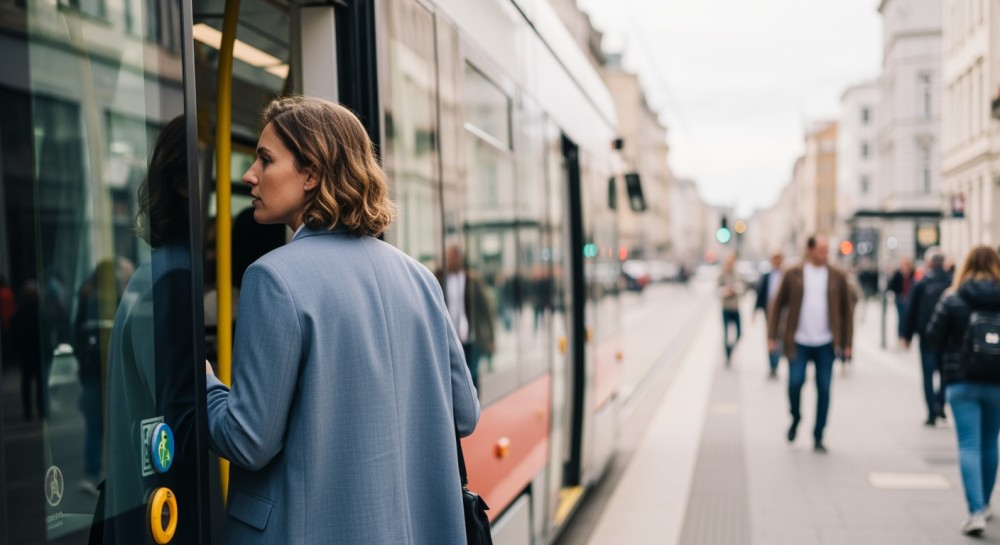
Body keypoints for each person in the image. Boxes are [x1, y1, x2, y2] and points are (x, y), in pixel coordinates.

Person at [204, 96, 480, 544]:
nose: (249, 175)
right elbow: (464, 415)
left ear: (311, 174)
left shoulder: (273, 278)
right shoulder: (420, 279)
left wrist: (205, 387)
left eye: (265, 160)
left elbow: (248, 440)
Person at [96, 115, 201, 544]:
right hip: (164, 520)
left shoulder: (155, 272)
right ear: (182, 183)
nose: (250, 179)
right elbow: (184, 429)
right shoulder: (176, 279)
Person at [924, 246, 1000, 536]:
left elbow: (932, 338)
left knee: (969, 444)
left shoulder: (953, 297)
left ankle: (975, 511)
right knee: (990, 442)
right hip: (997, 382)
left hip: (961, 380)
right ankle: (987, 503)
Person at [767, 235, 854, 453]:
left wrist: (847, 343)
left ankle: (818, 434)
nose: (826, 253)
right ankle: (796, 417)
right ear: (810, 250)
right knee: (795, 383)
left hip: (826, 342)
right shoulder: (793, 273)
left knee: (824, 389)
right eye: (821, 249)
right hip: (799, 341)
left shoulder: (837, 275)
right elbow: (777, 306)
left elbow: (847, 311)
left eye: (827, 249)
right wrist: (771, 337)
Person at [900, 247, 952, 426]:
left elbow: (911, 309)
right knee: (946, 373)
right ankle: (940, 403)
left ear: (929, 263)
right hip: (947, 337)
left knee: (928, 375)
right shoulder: (951, 282)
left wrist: (906, 335)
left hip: (927, 335)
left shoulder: (921, 283)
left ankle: (931, 412)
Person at [443, 244, 495, 389]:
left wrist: (490, 338)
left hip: (470, 336)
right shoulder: (441, 279)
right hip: (450, 336)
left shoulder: (472, 280)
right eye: (449, 257)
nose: (451, 261)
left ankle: (475, 399)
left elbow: (486, 310)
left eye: (454, 257)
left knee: (472, 374)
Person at [755, 252, 784, 379]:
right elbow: (760, 293)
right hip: (769, 311)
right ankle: (772, 364)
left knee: (780, 338)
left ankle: (776, 362)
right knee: (770, 337)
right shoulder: (767, 276)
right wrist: (755, 310)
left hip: (782, 312)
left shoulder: (785, 275)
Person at [718, 252, 743, 365]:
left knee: (739, 333)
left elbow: (743, 288)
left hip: (736, 307)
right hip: (726, 308)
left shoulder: (738, 274)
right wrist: (725, 290)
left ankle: (731, 348)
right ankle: (727, 354)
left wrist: (736, 290)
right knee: (727, 333)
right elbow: (716, 290)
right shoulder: (722, 275)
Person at [888, 256, 915, 340]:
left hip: (909, 298)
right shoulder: (898, 274)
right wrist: (898, 293)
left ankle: (906, 335)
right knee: (901, 317)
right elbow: (891, 285)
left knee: (908, 317)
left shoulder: (912, 274)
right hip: (900, 299)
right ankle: (900, 335)